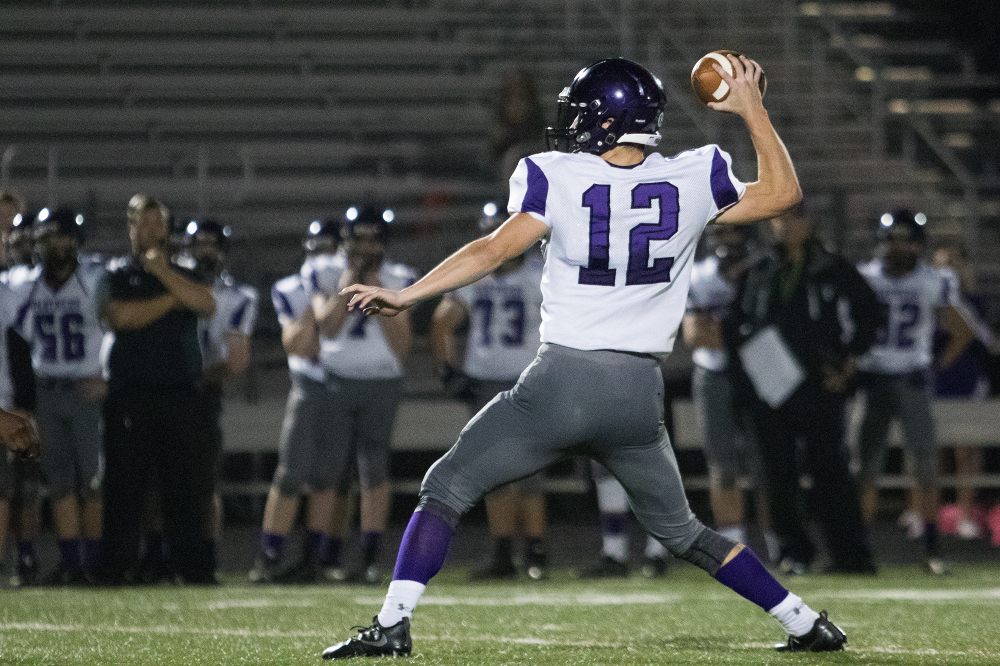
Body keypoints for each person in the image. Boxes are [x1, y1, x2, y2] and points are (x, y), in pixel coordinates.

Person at [323, 56, 847, 659]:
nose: (573, 124)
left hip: (562, 382)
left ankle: (392, 625)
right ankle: (804, 622)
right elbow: (785, 193)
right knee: (682, 532)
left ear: (604, 119)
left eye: (582, 113)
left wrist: (408, 294)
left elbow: (494, 250)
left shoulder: (557, 175)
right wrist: (752, 107)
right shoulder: (692, 176)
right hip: (637, 393)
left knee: (444, 486)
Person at [725, 204, 878, 576]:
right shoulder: (758, 271)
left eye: (793, 219)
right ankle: (795, 551)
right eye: (777, 220)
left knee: (831, 471)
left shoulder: (833, 269)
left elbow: (869, 314)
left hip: (818, 385)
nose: (784, 227)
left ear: (810, 223)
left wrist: (849, 364)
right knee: (777, 475)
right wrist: (744, 382)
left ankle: (849, 554)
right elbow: (735, 326)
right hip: (770, 386)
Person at [99, 194, 217, 585]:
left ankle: (190, 568)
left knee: (184, 487)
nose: (153, 230)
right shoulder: (115, 273)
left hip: (180, 392)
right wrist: (173, 298)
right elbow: (120, 317)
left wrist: (163, 275)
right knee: (125, 488)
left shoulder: (187, 270)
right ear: (130, 227)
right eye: (144, 223)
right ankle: (118, 568)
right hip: (131, 392)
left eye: (159, 222)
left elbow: (205, 303)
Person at [430, 204, 549, 581]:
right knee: (496, 472)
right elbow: (441, 323)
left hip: (526, 379)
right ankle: (513, 554)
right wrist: (449, 369)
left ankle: (532, 552)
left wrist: (449, 370)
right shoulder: (484, 277)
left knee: (528, 471)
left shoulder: (539, 275)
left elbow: (441, 323)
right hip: (494, 380)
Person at [854, 210, 973, 574]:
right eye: (892, 239)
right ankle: (859, 549)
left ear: (917, 244)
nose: (897, 246)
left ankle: (933, 549)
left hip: (911, 378)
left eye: (904, 239)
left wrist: (933, 365)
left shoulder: (932, 280)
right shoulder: (866, 277)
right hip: (872, 376)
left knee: (925, 467)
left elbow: (961, 331)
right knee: (864, 468)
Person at [308, 206, 417, 585]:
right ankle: (320, 555)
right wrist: (351, 280)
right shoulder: (324, 271)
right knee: (329, 472)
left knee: (374, 472)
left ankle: (369, 556)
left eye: (370, 238)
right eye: (357, 238)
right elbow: (328, 328)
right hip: (336, 378)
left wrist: (375, 288)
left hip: (382, 380)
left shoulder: (399, 277)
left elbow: (402, 345)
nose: (363, 246)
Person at [251, 219, 352, 584]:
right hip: (309, 384)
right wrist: (315, 296)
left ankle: (314, 556)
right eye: (317, 251)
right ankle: (269, 555)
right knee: (290, 474)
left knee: (328, 477)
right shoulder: (291, 288)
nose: (322, 259)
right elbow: (299, 344)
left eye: (328, 251)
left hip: (342, 386)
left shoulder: (356, 283)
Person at [12, 207, 107, 584]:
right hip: (47, 391)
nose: (54, 245)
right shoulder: (24, 284)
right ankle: (71, 563)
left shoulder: (95, 277)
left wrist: (108, 378)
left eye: (60, 237)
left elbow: (117, 328)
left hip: (86, 389)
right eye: (47, 238)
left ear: (75, 239)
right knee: (61, 483)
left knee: (93, 483)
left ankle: (95, 563)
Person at [683, 225, 778, 561]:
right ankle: (733, 550)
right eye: (721, 234)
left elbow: (773, 332)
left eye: (733, 234)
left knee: (766, 465)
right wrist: (741, 335)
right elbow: (696, 336)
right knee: (722, 466)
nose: (727, 242)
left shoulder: (765, 274)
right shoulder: (699, 275)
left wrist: (729, 334)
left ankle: (777, 547)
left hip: (758, 376)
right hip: (715, 374)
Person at [187, 219, 259, 574]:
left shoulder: (238, 297)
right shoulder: (171, 286)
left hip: (201, 395)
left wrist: (194, 378)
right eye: (198, 244)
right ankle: (159, 556)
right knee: (156, 482)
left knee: (204, 482)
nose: (204, 252)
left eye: (211, 245)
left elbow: (235, 360)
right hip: (166, 393)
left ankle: (206, 560)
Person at [929, 242, 993, 540]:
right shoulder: (927, 297)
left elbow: (978, 338)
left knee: (966, 449)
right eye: (941, 264)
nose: (947, 270)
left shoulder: (972, 301)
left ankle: (965, 514)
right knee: (930, 450)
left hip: (964, 381)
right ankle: (928, 514)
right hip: (934, 383)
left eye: (952, 263)